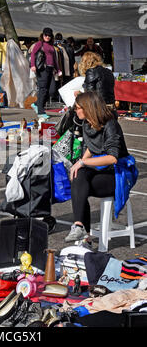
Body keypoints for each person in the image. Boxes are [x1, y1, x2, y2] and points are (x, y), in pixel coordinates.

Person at [64, 92, 130, 243]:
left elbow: (112, 158)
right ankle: (80, 227)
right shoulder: (87, 123)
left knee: (80, 182)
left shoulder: (110, 124)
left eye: (78, 107)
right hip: (103, 171)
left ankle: (83, 233)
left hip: (117, 175)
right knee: (78, 177)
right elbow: (93, 147)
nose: (75, 110)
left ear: (88, 108)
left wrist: (82, 163)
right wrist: (79, 163)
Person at [30, 27, 62, 119]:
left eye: (49, 35)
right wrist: (33, 65)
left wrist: (58, 69)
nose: (47, 37)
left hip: (50, 70)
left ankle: (36, 104)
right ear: (43, 35)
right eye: (45, 35)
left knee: (52, 90)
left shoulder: (52, 46)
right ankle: (40, 111)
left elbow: (55, 59)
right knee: (43, 89)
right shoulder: (40, 43)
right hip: (42, 69)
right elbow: (33, 54)